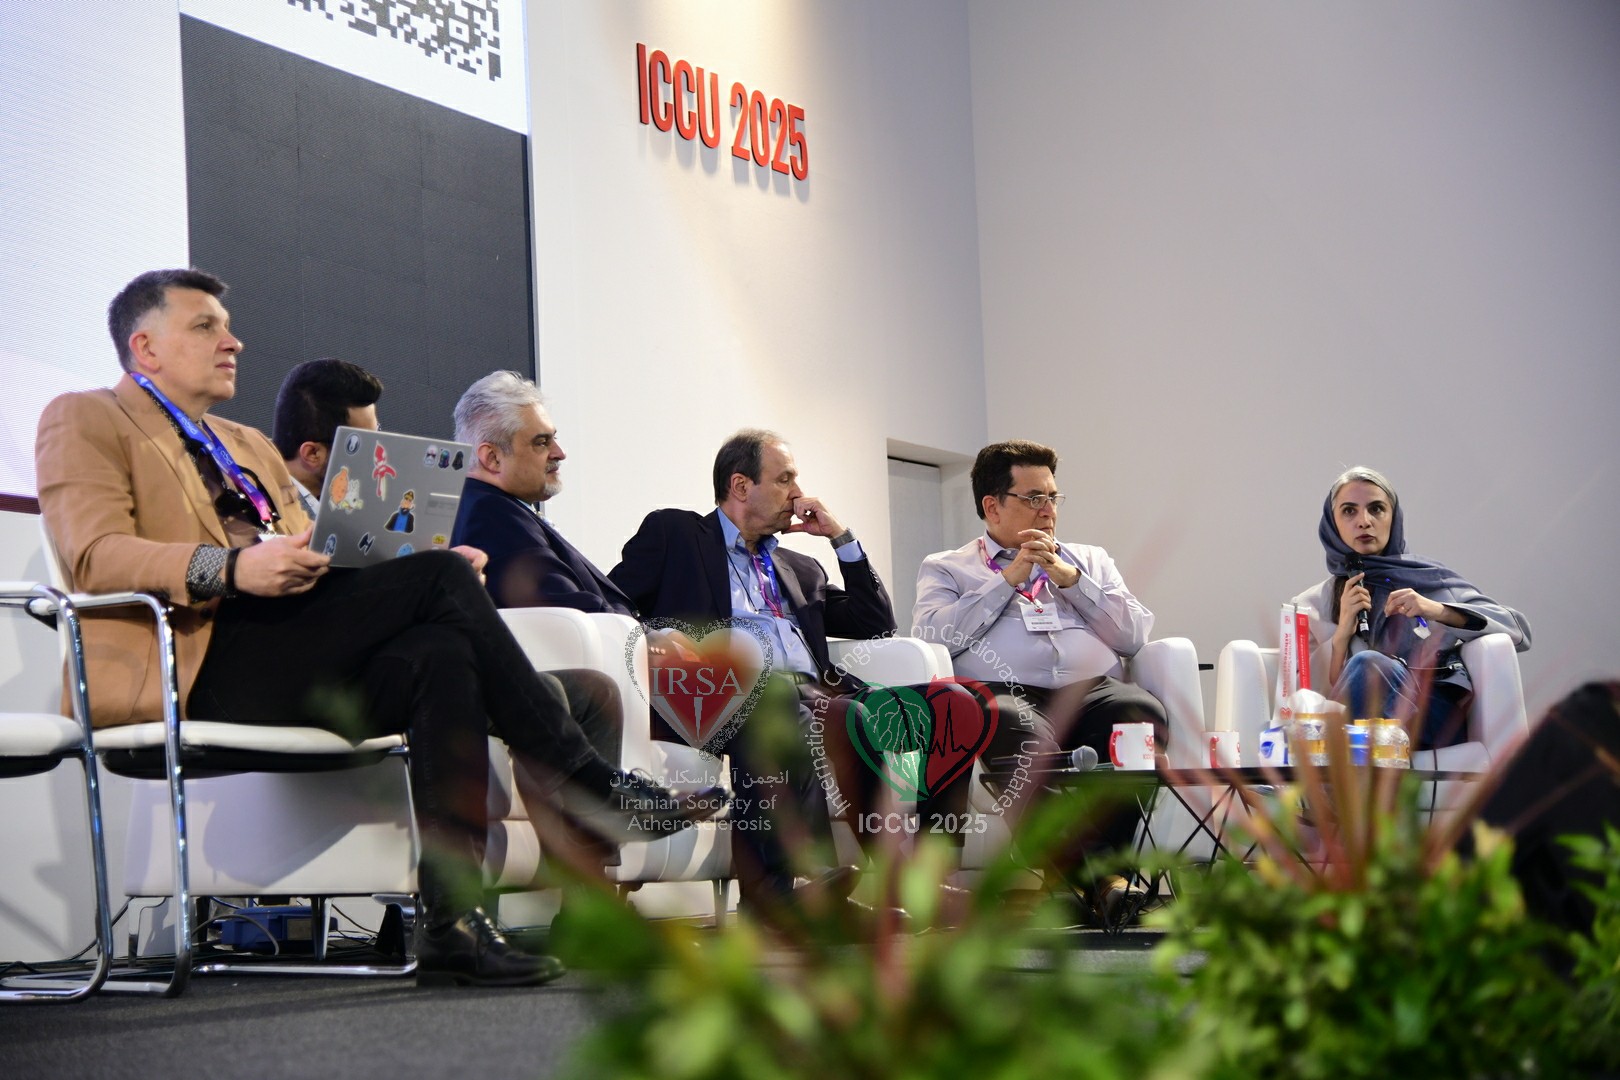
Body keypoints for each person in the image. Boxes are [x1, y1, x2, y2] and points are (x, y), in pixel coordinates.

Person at [34, 268, 717, 988]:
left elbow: (315, 550)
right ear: (144, 347)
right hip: (195, 664)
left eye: (227, 327)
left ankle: (452, 926)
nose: (232, 341)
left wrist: (404, 565)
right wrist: (233, 568)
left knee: (442, 651)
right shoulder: (85, 417)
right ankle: (591, 781)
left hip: (285, 647)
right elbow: (93, 556)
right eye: (205, 326)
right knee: (444, 583)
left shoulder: (246, 443)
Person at [608, 429, 932, 923]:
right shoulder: (677, 535)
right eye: (784, 480)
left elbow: (876, 622)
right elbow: (612, 601)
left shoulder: (799, 567)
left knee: (877, 714)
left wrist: (841, 539)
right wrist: (667, 646)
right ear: (741, 486)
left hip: (810, 695)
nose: (798, 494)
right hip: (714, 691)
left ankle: (897, 881)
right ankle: (784, 890)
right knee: (781, 701)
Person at [911, 439, 1166, 918]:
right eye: (1033, 498)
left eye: (1052, 497)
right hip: (1005, 694)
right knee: (1010, 724)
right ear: (992, 506)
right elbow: (932, 637)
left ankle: (1078, 876)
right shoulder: (948, 567)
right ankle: (1100, 879)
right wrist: (1006, 580)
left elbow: (1134, 636)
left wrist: (1073, 582)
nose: (1048, 510)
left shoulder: (1090, 560)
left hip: (1089, 691)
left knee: (1140, 712)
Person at [1292, 466, 1530, 750]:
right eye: (1349, 511)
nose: (1364, 521)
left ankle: (1334, 771)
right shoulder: (1309, 606)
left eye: (1376, 509)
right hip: (1357, 730)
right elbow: (1303, 699)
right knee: (1366, 668)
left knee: (1370, 665)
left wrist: (1437, 610)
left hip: (1430, 720)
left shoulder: (1428, 579)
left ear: (1393, 518)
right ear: (1332, 524)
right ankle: (1355, 767)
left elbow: (1518, 631)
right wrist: (1342, 635)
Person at [448, 371, 635, 615]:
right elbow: (571, 612)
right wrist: (650, 636)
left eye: (554, 438)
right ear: (493, 457)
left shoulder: (494, 507)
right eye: (541, 442)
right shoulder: (491, 515)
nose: (560, 453)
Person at [270, 357, 382, 518]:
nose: (376, 454)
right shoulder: (263, 515)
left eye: (378, 433)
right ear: (313, 454)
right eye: (365, 443)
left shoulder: (352, 505)